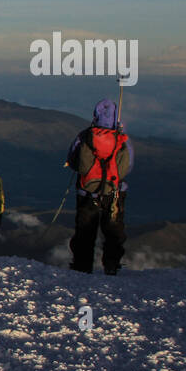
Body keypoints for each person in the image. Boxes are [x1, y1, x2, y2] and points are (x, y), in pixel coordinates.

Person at [65, 98, 133, 274]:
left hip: (87, 192)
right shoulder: (121, 139)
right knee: (113, 231)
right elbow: (128, 166)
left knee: (85, 232)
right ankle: (112, 266)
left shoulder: (85, 136)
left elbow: (73, 160)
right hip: (115, 193)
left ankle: (82, 267)